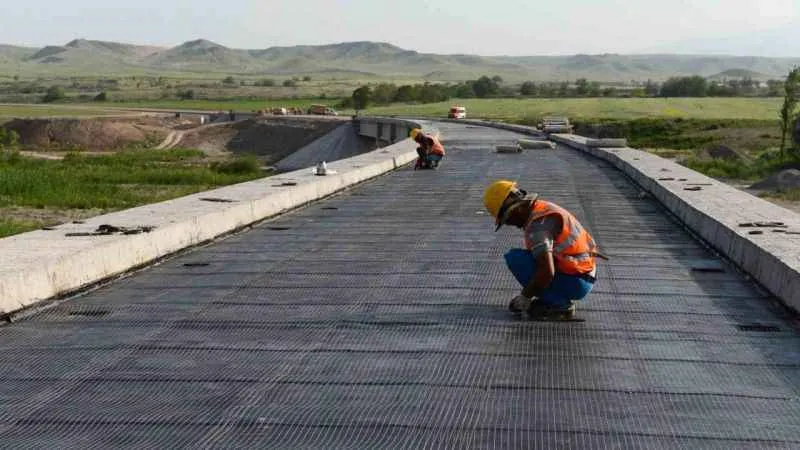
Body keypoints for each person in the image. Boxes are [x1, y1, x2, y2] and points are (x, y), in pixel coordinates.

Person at [482, 180, 607, 320]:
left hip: (576, 282)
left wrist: (525, 297)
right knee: (530, 257)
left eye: (508, 219)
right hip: (584, 275)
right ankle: (554, 299)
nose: (512, 225)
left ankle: (560, 306)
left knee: (516, 259)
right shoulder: (543, 208)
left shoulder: (538, 227)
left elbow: (547, 271)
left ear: (516, 210)